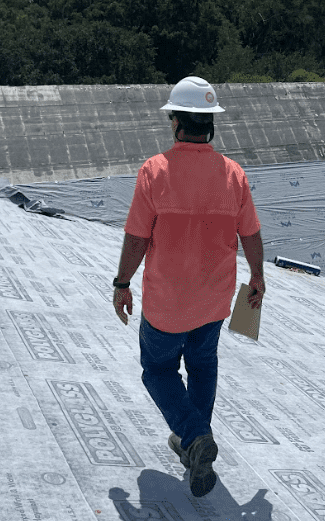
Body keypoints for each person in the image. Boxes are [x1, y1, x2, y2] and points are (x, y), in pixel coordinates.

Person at [112, 76, 265, 498]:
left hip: (166, 305)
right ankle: (193, 441)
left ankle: (195, 436)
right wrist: (258, 276)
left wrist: (122, 282)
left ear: (176, 122)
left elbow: (138, 238)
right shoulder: (233, 174)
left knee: (158, 370)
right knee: (202, 366)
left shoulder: (155, 171)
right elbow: (250, 233)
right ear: (210, 125)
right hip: (214, 302)